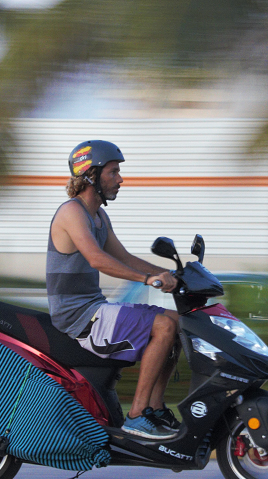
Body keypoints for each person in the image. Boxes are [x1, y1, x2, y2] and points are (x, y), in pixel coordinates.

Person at [47, 140, 182, 440]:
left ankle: (154, 408)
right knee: (162, 325)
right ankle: (135, 416)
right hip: (79, 317)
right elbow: (98, 259)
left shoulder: (98, 216)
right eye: (114, 172)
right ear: (92, 175)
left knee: (176, 323)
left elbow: (123, 256)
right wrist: (147, 280)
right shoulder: (73, 212)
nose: (120, 179)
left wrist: (168, 274)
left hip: (94, 308)